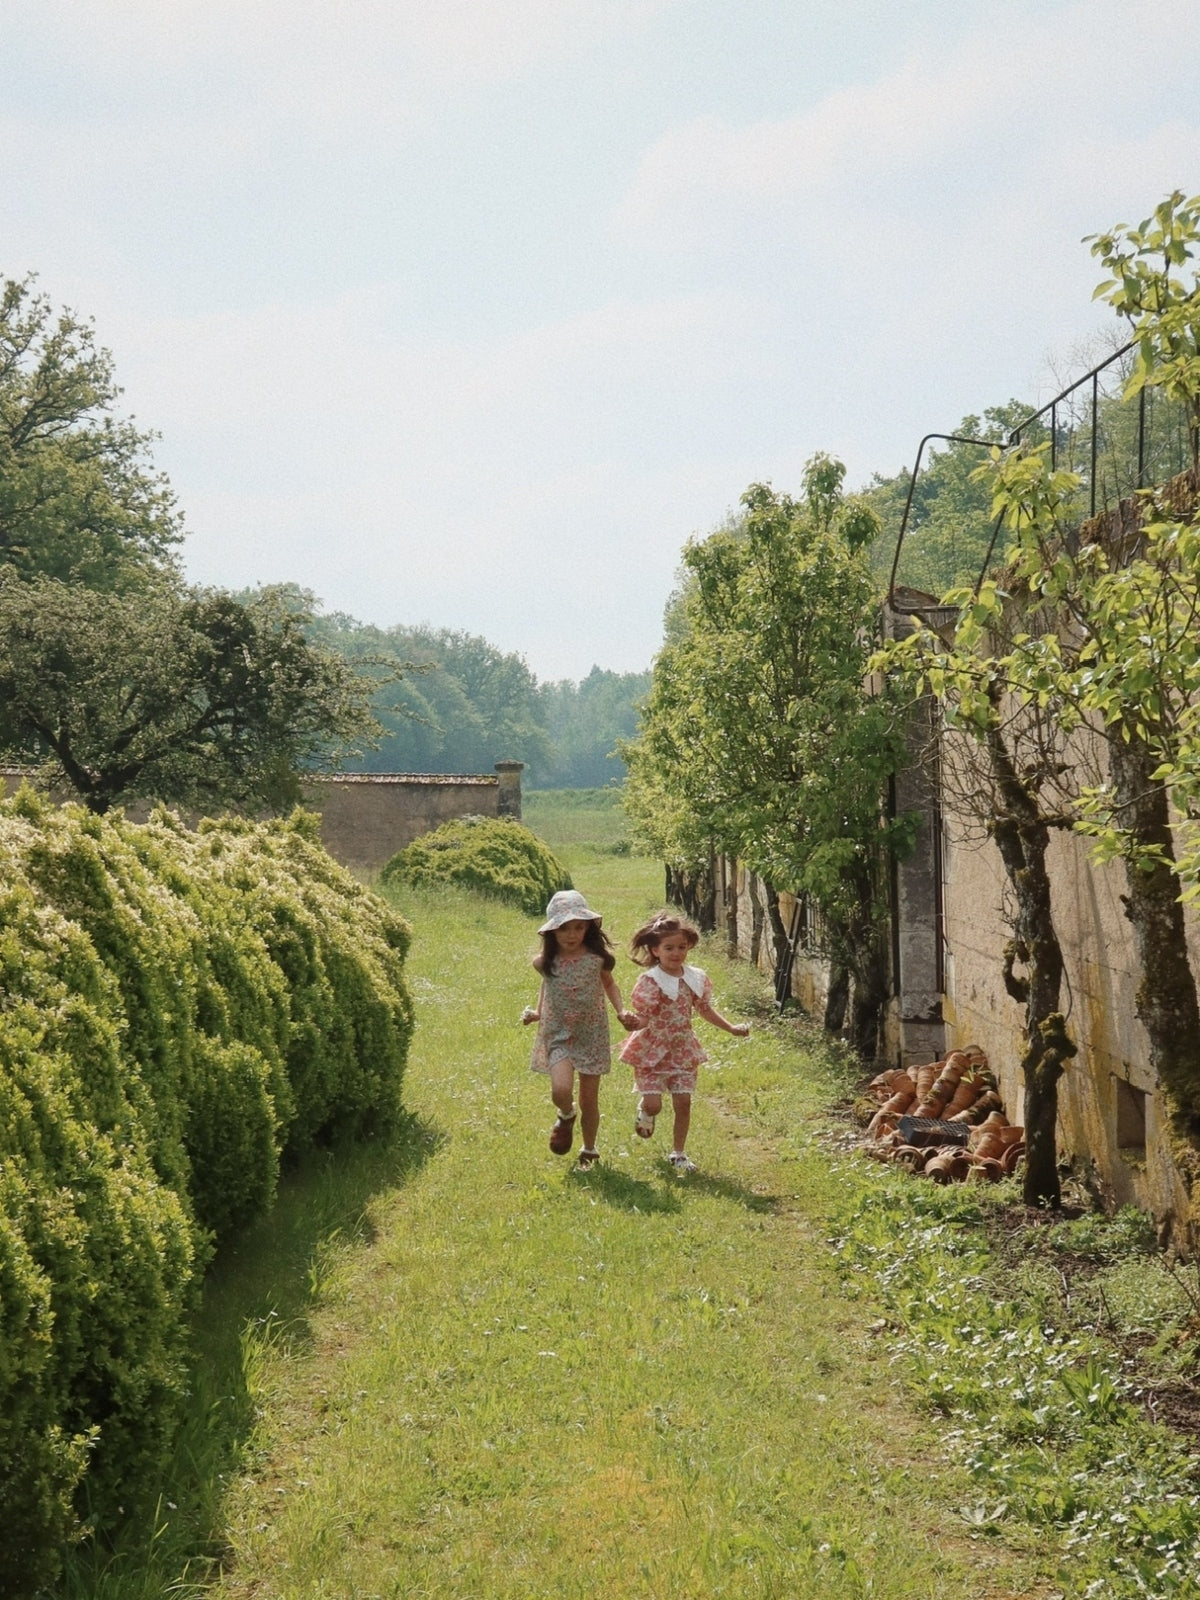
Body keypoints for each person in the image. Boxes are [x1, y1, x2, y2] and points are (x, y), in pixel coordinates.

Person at [620, 911, 749, 1173]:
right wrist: (635, 1022)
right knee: (654, 1104)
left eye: (682, 947)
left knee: (683, 1102)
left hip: (682, 1048)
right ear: (655, 950)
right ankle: (646, 1110)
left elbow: (704, 1009)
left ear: (688, 947)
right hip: (651, 1050)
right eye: (669, 948)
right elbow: (645, 1017)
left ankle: (678, 1154)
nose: (676, 953)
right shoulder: (651, 981)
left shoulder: (694, 978)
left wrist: (731, 1028)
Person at [522, 889, 637, 1169]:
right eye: (564, 929)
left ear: (588, 928)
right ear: (552, 931)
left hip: (592, 1033)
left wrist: (621, 1010)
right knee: (560, 1089)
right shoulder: (544, 962)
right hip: (559, 1032)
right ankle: (566, 1113)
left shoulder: (596, 959)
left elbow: (609, 984)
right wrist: (537, 1012)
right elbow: (546, 985)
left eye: (578, 927)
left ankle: (589, 1149)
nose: (572, 935)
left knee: (590, 1098)